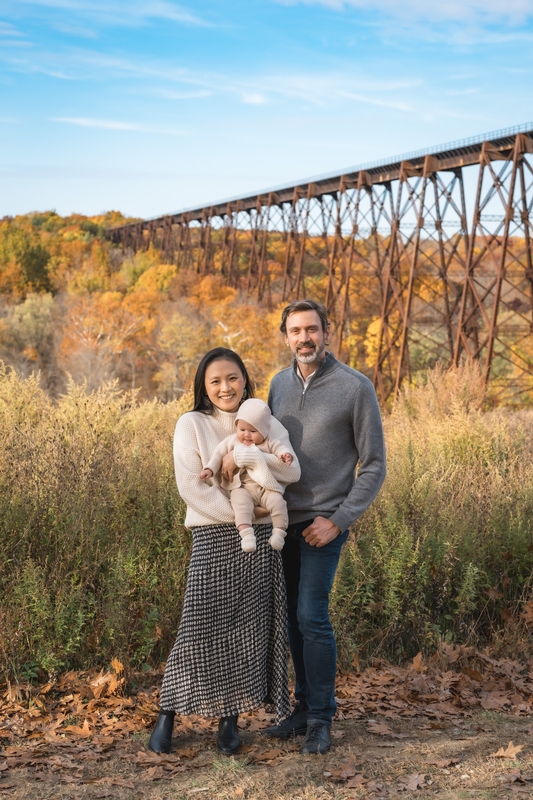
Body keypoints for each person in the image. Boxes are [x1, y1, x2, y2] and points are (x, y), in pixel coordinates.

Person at [149, 347, 299, 756]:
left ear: (245, 380)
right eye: (214, 381)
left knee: (245, 633)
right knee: (196, 629)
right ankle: (167, 713)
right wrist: (240, 519)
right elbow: (192, 489)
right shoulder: (191, 423)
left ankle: (229, 720)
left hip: (259, 546)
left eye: (232, 378)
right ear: (203, 387)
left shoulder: (264, 424)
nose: (224, 387)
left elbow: (289, 471)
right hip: (215, 538)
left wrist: (251, 454)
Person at [265, 299, 386, 755]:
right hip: (280, 522)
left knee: (311, 616)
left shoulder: (356, 388)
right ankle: (301, 709)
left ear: (326, 332)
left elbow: (374, 467)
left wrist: (336, 522)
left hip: (323, 525)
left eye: (311, 329)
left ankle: (321, 718)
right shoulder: (277, 384)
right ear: (286, 337)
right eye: (295, 331)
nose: (303, 338)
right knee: (292, 621)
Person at [199, 398, 298, 553]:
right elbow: (218, 455)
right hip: (242, 487)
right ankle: (246, 534)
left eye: (253, 431)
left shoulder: (268, 442)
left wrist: (284, 455)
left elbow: (280, 448)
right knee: (240, 505)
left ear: (264, 431)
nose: (246, 435)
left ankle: (279, 533)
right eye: (242, 429)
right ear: (236, 426)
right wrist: (209, 469)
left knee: (278, 502)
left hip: (266, 486)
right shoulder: (231, 441)